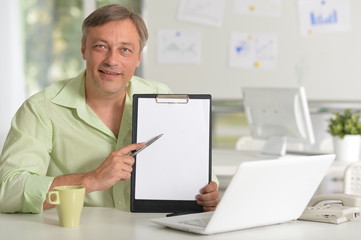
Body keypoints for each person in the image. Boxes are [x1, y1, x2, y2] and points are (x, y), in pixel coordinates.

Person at [0, 4, 219, 213]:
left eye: (125, 50)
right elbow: (8, 190)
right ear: (84, 49)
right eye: (101, 47)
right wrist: (90, 180)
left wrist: (207, 191)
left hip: (147, 230)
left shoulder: (163, 98)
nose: (112, 60)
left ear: (138, 58)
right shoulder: (40, 109)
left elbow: (198, 170)